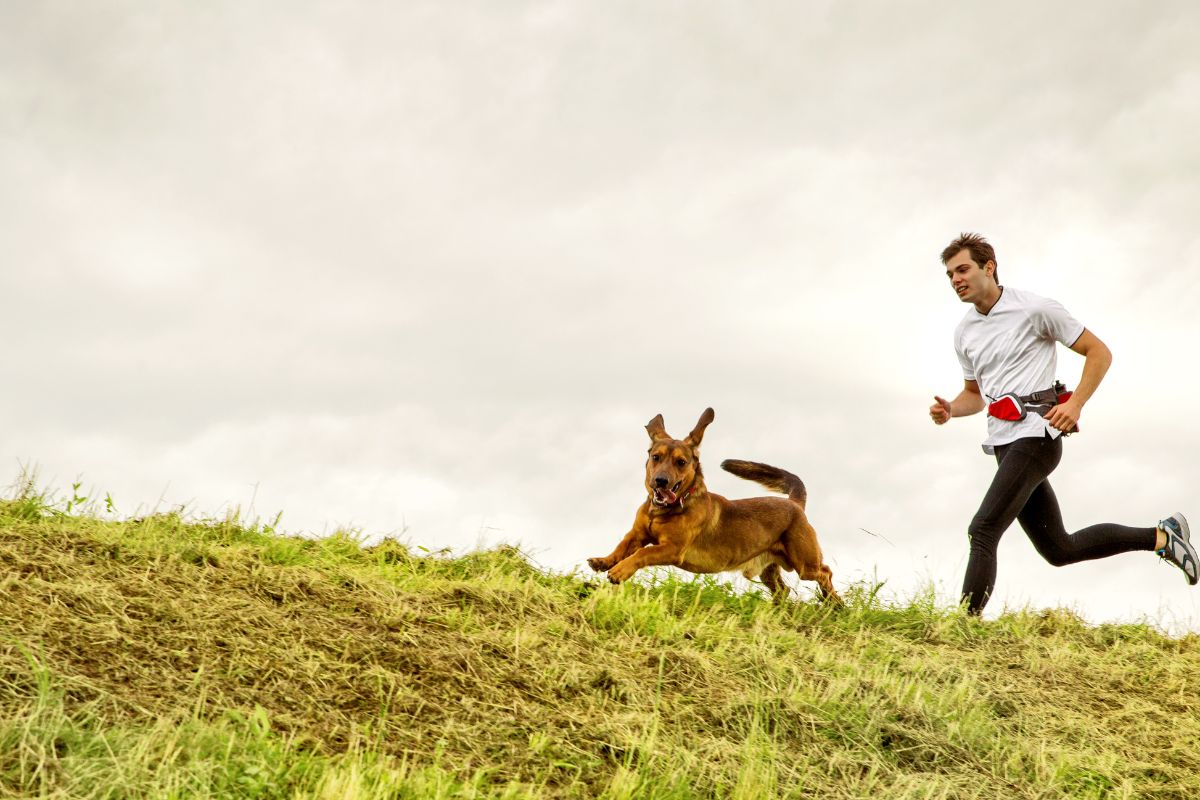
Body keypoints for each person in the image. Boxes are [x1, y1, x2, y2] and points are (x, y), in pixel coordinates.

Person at [929, 232, 1197, 615]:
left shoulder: (1035, 309)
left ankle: (964, 625)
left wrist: (1077, 405)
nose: (956, 279)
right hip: (1004, 443)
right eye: (950, 274)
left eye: (963, 269)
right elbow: (973, 394)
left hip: (1037, 436)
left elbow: (1099, 352)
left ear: (989, 267)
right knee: (1059, 549)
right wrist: (950, 410)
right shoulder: (964, 332)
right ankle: (1162, 537)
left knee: (983, 529)